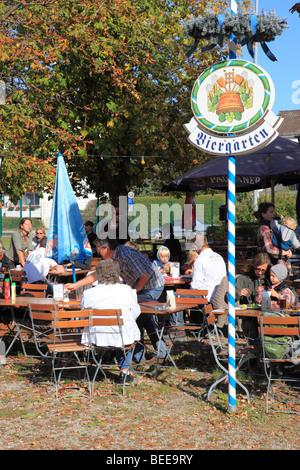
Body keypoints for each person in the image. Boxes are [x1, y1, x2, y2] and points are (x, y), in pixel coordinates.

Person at [65, 237, 168, 364]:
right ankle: (151, 355)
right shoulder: (112, 257)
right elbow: (99, 273)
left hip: (152, 285)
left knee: (139, 318)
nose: (98, 253)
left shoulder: (126, 255)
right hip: (138, 286)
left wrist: (132, 293)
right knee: (143, 318)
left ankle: (142, 356)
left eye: (98, 250)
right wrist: (76, 285)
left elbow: (144, 277)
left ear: (106, 248)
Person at [80, 259, 141, 383]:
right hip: (121, 335)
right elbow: (136, 312)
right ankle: (124, 372)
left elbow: (82, 317)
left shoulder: (88, 293)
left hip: (95, 337)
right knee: (126, 332)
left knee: (123, 331)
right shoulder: (126, 290)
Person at [190, 235, 227, 304]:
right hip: (220, 296)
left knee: (175, 296)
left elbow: (195, 286)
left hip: (206, 298)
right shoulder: (219, 257)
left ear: (195, 246)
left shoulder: (200, 260)